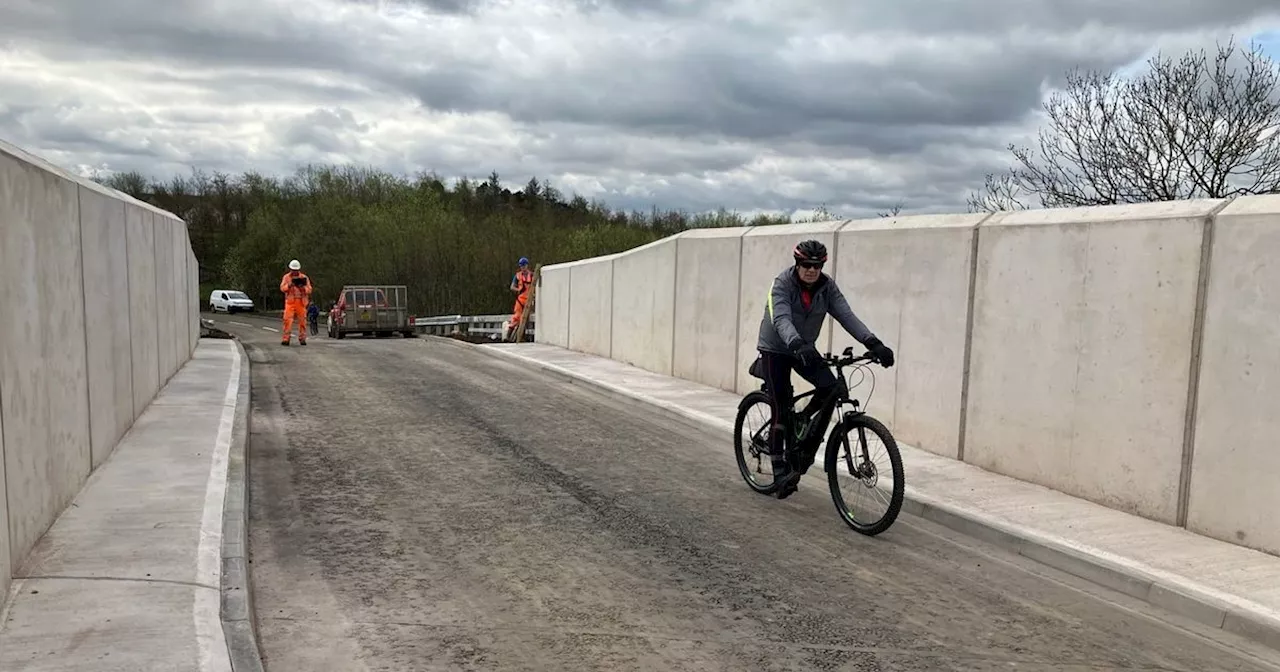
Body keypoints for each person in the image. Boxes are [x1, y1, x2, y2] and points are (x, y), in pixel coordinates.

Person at [755, 239, 895, 500]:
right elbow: (781, 318)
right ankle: (778, 471)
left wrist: (873, 342)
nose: (812, 270)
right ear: (797, 264)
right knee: (781, 407)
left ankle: (803, 419)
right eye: (807, 265)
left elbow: (846, 315)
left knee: (831, 387)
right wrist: (796, 342)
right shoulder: (781, 284)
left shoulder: (827, 287)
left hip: (804, 346)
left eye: (817, 266)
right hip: (776, 348)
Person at [279, 259, 312, 346]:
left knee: (302, 321)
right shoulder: (286, 277)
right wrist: (289, 286)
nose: (294, 272)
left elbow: (309, 290)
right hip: (290, 302)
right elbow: (282, 288)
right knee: (287, 321)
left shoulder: (304, 278)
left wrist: (302, 288)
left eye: (296, 270)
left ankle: (302, 338)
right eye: (293, 270)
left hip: (301, 302)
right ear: (290, 269)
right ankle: (286, 339)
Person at [507, 257, 535, 336]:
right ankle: (508, 335)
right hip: (520, 300)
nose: (523, 267)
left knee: (525, 319)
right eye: (521, 266)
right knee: (517, 317)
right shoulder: (517, 276)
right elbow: (512, 287)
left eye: (524, 265)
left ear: (527, 265)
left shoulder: (532, 275)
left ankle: (522, 336)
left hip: (529, 300)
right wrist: (518, 289)